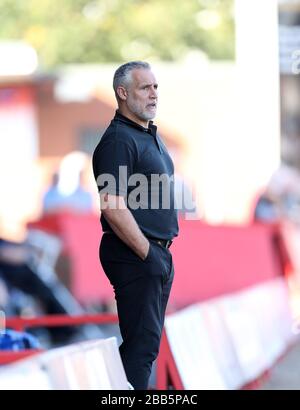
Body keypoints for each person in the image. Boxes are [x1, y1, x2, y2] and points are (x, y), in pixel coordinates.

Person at [92, 61, 178, 389]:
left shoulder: (145, 134)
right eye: (145, 88)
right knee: (140, 349)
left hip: (154, 252)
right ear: (123, 93)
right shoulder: (118, 140)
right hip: (135, 253)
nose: (154, 94)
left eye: (156, 87)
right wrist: (148, 254)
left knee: (145, 347)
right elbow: (112, 205)